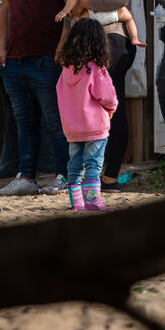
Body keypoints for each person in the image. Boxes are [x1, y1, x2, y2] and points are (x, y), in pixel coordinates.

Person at [0, 0, 77, 196]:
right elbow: (4, 10)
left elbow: (73, 7)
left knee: (56, 120)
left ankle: (65, 176)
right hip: (14, 60)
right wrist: (2, 49)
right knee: (24, 121)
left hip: (49, 58)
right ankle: (26, 178)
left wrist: (62, 46)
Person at [75, 0, 137, 192]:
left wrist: (84, 3)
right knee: (107, 109)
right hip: (107, 42)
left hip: (116, 42)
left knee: (111, 111)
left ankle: (109, 176)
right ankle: (106, 176)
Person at [55, 18, 118, 211]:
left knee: (74, 165)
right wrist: (111, 110)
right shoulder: (96, 69)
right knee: (93, 165)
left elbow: (60, 92)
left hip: (73, 128)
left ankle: (77, 203)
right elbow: (107, 97)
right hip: (95, 127)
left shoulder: (66, 69)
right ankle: (92, 202)